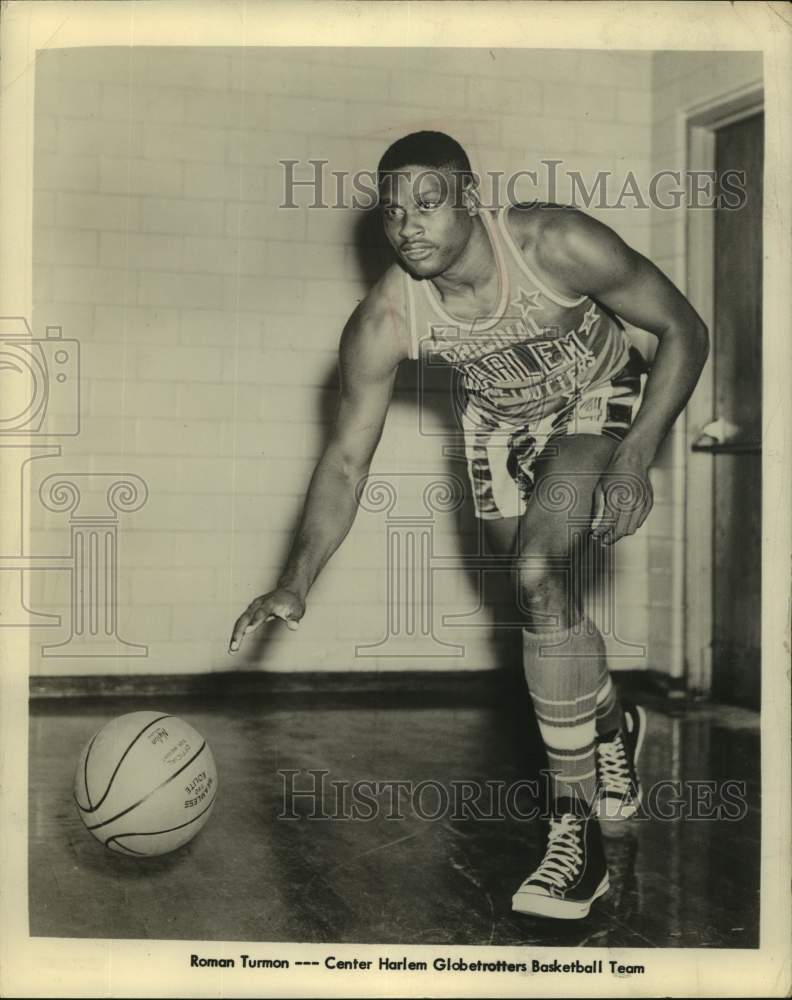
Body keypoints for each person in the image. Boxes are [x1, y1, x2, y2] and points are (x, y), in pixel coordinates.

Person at [229, 131, 709, 920]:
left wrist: (635, 457)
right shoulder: (387, 316)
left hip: (598, 399)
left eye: (426, 202)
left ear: (469, 198)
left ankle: (574, 834)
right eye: (392, 212)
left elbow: (684, 328)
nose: (408, 224)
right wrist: (295, 580)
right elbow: (346, 461)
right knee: (540, 604)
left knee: (537, 574)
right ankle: (612, 722)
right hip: (497, 427)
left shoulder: (556, 243)